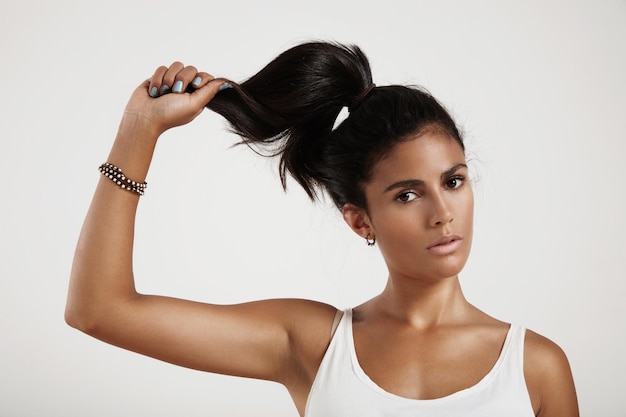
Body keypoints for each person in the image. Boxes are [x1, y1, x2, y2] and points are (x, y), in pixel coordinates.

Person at [65, 41, 579, 416]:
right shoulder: (313, 344)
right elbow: (98, 311)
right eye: (407, 194)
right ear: (360, 221)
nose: (442, 211)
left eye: (453, 180)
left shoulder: (535, 367)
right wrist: (139, 129)